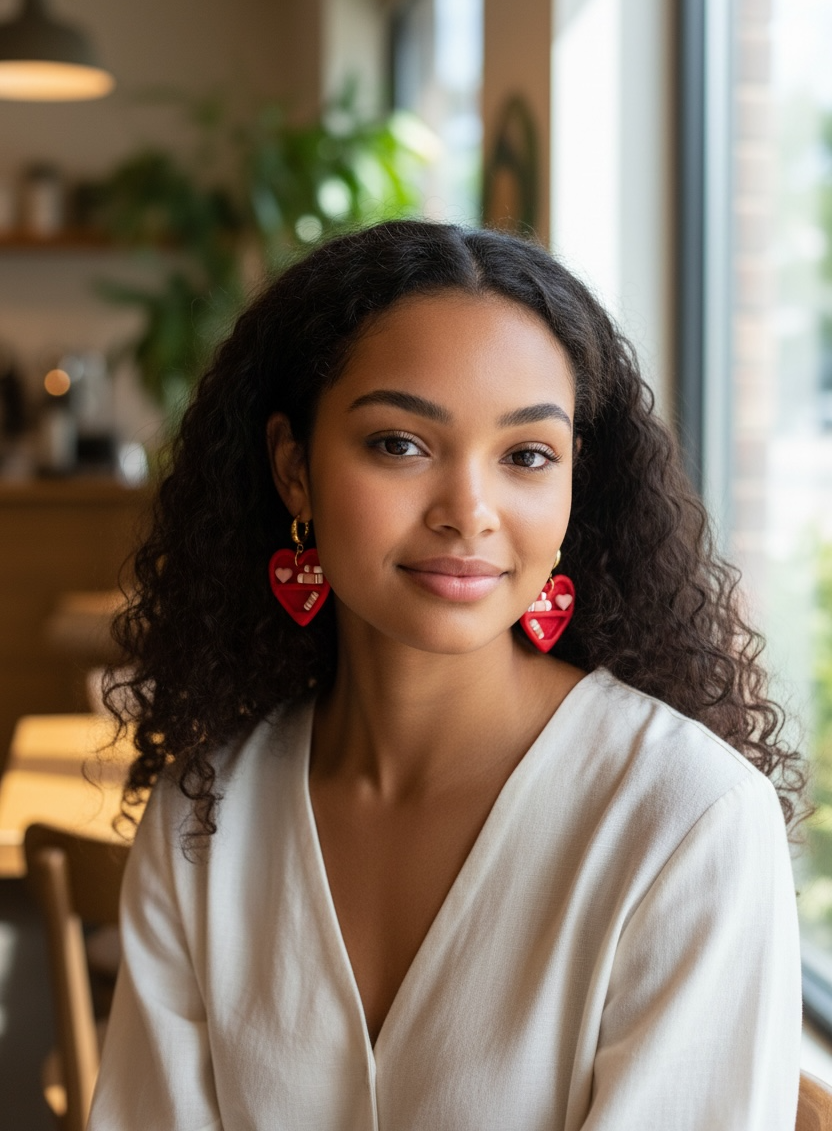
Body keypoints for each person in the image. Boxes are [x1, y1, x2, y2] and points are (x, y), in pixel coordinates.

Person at [89, 220, 806, 1131]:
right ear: (293, 469)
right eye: (400, 444)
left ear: (576, 480)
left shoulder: (686, 820)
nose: (469, 512)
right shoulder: (207, 814)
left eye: (527, 455)